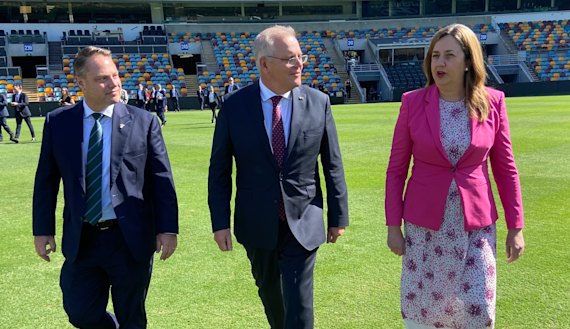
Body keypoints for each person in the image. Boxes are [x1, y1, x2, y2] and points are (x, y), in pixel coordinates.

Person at [208, 25, 349, 329]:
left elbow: (332, 164)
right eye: (289, 59)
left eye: (300, 57)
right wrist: (220, 222)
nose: (298, 64)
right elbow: (219, 170)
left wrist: (338, 216)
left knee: (299, 308)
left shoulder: (318, 102)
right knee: (273, 299)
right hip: (257, 223)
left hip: (303, 219)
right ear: (264, 64)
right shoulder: (234, 107)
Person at [385, 24, 525, 329]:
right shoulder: (412, 103)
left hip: (475, 227)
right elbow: (396, 170)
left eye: (449, 55)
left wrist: (516, 227)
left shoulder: (493, 102)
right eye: (435, 55)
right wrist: (393, 226)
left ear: (468, 61)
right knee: (425, 311)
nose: (439, 63)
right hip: (425, 230)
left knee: (477, 308)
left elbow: (506, 169)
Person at [32, 46, 178, 329]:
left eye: (115, 75)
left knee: (132, 317)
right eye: (102, 78)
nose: (114, 83)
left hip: (129, 239)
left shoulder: (144, 121)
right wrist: (42, 229)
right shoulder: (58, 122)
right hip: (82, 238)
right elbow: (46, 181)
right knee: (80, 313)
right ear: (81, 82)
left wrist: (168, 228)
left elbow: (162, 180)